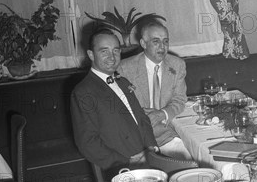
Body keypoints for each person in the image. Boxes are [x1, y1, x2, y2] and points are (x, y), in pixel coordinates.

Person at [71, 30, 158, 171]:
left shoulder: (122, 82)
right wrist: (128, 162)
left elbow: (142, 118)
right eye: (104, 51)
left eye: (116, 51)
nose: (112, 57)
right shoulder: (83, 92)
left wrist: (151, 148)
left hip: (147, 159)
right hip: (122, 168)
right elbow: (87, 142)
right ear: (91, 55)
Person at [119, 19, 190, 158]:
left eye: (165, 41)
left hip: (166, 133)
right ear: (143, 43)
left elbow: (180, 99)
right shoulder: (125, 68)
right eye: (156, 41)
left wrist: (162, 113)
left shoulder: (177, 65)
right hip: (136, 135)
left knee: (188, 166)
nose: (162, 47)